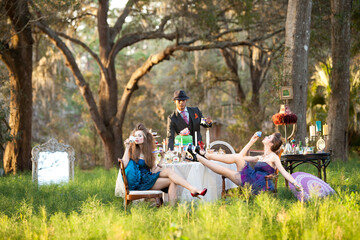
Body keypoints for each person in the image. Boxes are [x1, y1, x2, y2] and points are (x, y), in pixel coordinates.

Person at [185, 132, 303, 193]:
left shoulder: (273, 157)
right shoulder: (261, 156)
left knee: (226, 171)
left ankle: (200, 156)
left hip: (257, 184)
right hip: (251, 177)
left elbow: (284, 172)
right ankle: (203, 155)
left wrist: (295, 183)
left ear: (271, 144)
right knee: (237, 159)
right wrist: (251, 141)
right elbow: (239, 156)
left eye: (268, 137)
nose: (266, 137)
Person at [122, 123, 207, 204]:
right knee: (171, 180)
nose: (137, 137)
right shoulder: (131, 150)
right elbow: (123, 164)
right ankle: (192, 189)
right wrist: (127, 147)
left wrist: (162, 158)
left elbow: (153, 171)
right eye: (135, 136)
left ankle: (186, 195)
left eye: (140, 136)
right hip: (140, 182)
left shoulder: (148, 153)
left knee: (170, 175)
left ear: (145, 138)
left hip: (148, 177)